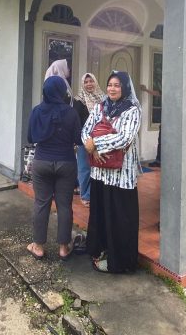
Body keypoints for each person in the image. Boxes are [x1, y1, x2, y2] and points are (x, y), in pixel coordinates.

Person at [82, 71, 141, 273]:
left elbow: (125, 137)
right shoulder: (101, 107)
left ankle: (120, 261)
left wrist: (96, 144)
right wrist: (91, 146)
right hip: (100, 173)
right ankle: (100, 250)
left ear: (124, 88)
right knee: (102, 215)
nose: (112, 89)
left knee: (120, 218)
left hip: (120, 175)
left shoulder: (132, 110)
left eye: (117, 85)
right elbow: (85, 130)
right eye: (110, 85)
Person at [26, 76, 83, 260]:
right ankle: (64, 248)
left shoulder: (36, 111)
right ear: (62, 91)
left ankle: (38, 247)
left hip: (42, 162)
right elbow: (78, 139)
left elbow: (30, 137)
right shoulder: (71, 113)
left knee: (41, 204)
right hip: (66, 162)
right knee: (64, 206)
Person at [73, 73, 103, 207]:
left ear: (95, 82)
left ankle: (96, 193)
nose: (89, 84)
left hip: (101, 139)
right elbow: (75, 122)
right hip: (84, 140)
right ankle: (85, 194)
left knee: (98, 167)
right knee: (84, 168)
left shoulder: (103, 99)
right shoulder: (78, 100)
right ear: (82, 84)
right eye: (86, 82)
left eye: (91, 81)